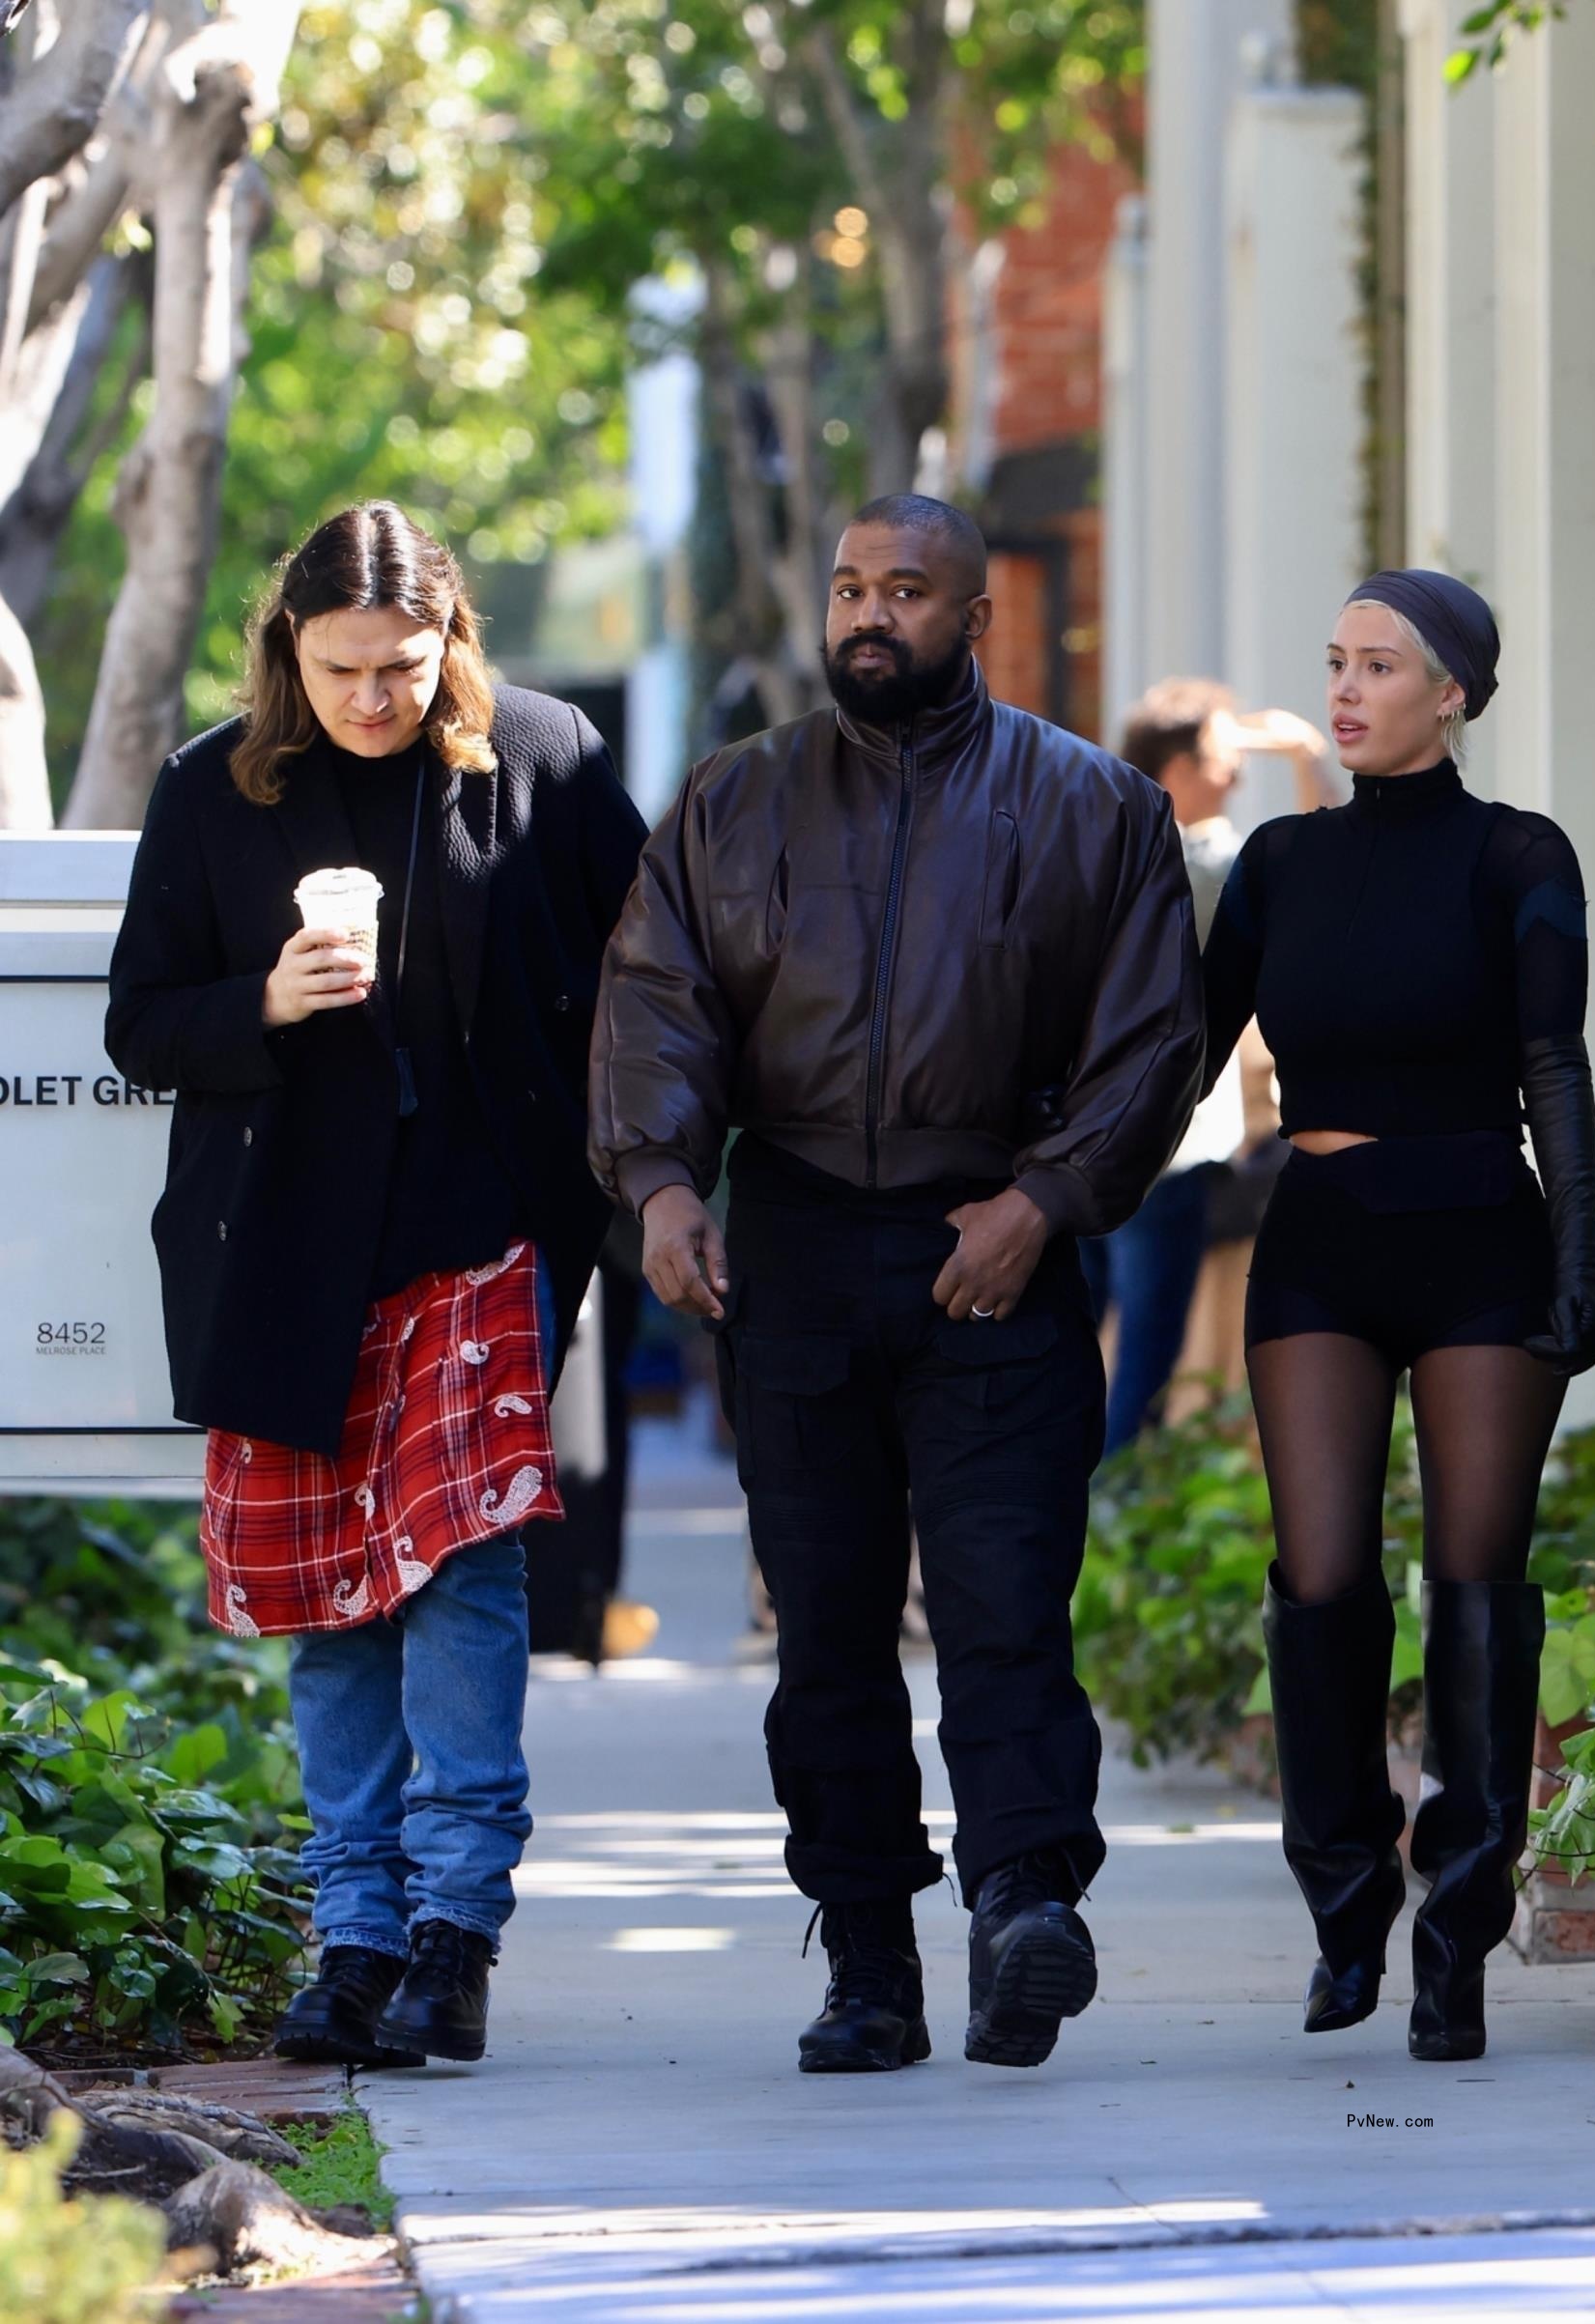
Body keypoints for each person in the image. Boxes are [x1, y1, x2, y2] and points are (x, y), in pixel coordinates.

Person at [591, 493, 1204, 2076]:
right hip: (792, 1247)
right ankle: (869, 1958)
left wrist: (1046, 1201)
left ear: (974, 613)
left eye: (906, 590)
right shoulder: (736, 800)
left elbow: (1152, 1044)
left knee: (1005, 1609)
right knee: (833, 1636)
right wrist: (661, 1178)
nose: (870, 613)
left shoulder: (1096, 808)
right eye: (853, 586)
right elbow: (659, 998)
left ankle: (1020, 1910)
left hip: (994, 1243)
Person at [106, 501, 645, 2069]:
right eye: (341, 668)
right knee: (323, 1599)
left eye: (403, 667)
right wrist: (263, 998)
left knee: (464, 1571)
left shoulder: (539, 755)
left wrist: (625, 1173)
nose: (372, 699)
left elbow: (651, 959)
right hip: (281, 1241)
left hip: (484, 1230)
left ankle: (454, 1935)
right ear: (290, 650)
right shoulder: (217, 788)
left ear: (452, 640)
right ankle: (352, 1937)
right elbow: (142, 1025)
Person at [1199, 568, 1595, 2064]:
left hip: (1481, 1246)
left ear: (1455, 692)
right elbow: (1181, 1046)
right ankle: (1344, 1891)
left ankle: (1457, 1933)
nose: (1349, 690)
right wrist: (1059, 1189)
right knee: (1320, 1580)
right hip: (1319, 1240)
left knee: (1476, 1581)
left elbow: (1552, 1065)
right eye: (1337, 662)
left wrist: (1584, 1255)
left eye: (1382, 665)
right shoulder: (1281, 863)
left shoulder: (1520, 856)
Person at [1083, 682, 1329, 1451]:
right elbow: (1327, 887)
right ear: (1178, 770)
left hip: (1074, 1133)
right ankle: (1109, 1530)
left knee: (1070, 1344)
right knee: (1146, 1361)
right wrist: (1307, 754)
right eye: (1225, 757)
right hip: (1160, 1147)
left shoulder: (1102, 850)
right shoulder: (1207, 860)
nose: (1236, 774)